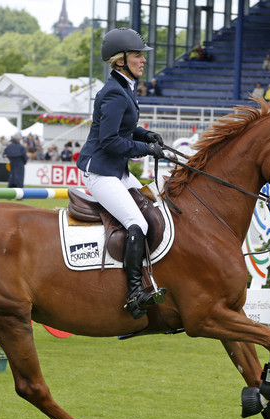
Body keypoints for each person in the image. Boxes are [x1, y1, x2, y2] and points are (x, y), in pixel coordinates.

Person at [76, 28, 166, 319]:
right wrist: (145, 149)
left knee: (155, 206)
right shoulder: (114, 92)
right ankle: (134, 293)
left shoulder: (125, 86)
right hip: (101, 172)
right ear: (120, 60)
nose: (143, 60)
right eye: (138, 55)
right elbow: (109, 140)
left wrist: (146, 134)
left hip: (118, 170)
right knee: (136, 223)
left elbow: (125, 128)